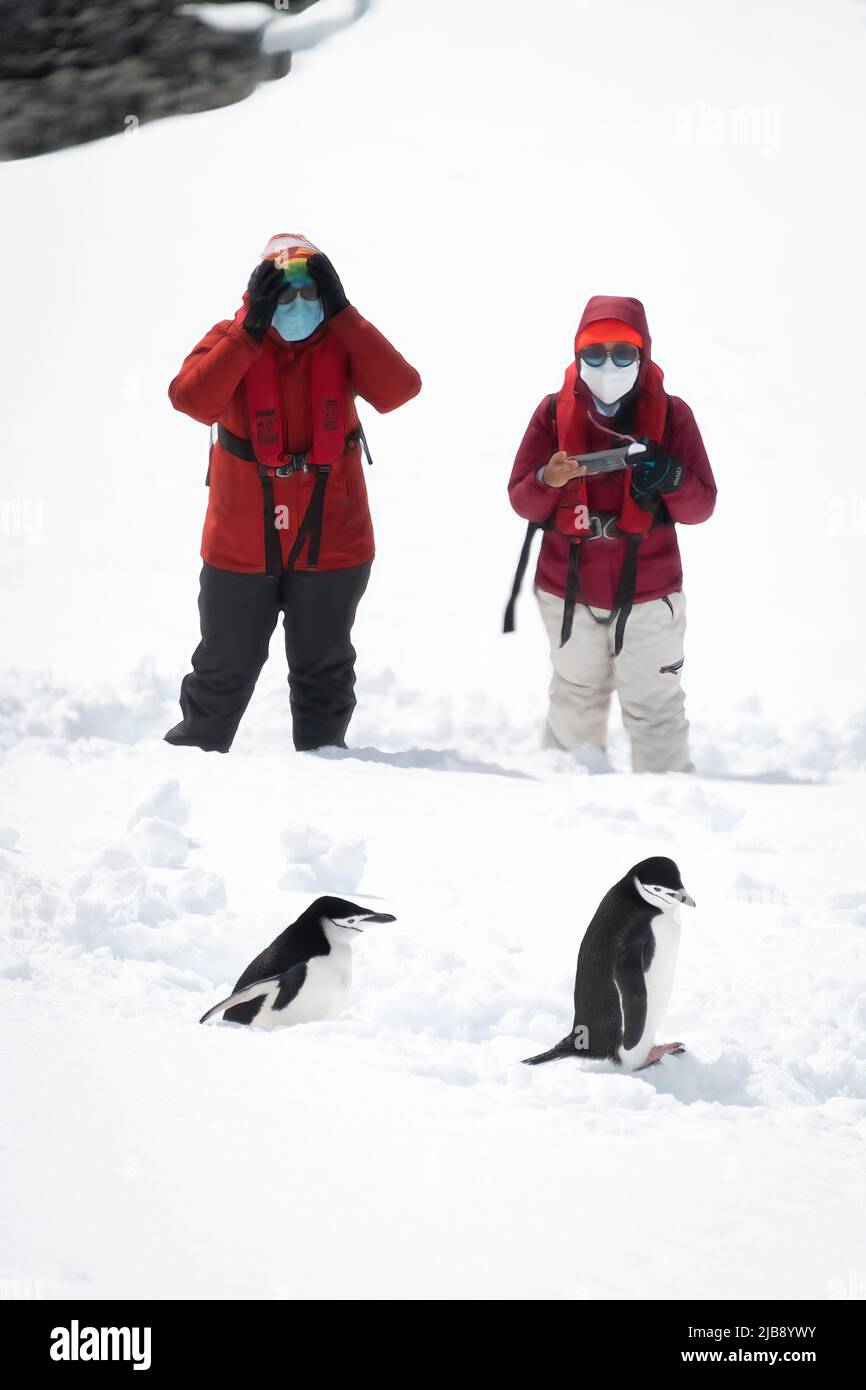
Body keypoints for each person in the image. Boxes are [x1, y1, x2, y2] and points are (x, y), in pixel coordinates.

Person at [164, 233, 421, 754]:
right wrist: (249, 330)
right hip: (241, 542)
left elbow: (399, 389)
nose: (297, 306)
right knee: (222, 668)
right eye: (282, 295)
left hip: (334, 538)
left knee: (324, 671)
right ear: (258, 294)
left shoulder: (342, 338)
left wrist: (344, 312)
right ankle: (187, 779)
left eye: (310, 294)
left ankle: (326, 776)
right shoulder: (230, 336)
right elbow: (191, 400)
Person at [506, 295, 716, 772]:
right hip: (567, 590)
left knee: (655, 709)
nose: (607, 365)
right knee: (574, 697)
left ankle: (669, 811)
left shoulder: (674, 416)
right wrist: (547, 480)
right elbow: (521, 498)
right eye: (593, 354)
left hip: (649, 593)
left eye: (623, 353)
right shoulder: (552, 413)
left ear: (643, 356)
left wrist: (670, 476)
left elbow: (701, 506)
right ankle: (569, 805)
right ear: (576, 355)